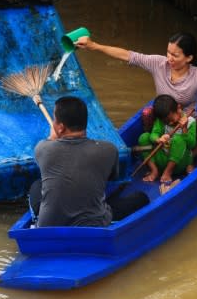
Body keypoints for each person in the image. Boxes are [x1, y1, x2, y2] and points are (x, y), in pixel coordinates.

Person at [76, 31, 197, 158]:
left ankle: (191, 156)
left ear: (189, 58)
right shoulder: (159, 64)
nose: (169, 58)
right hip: (162, 122)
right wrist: (94, 46)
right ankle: (156, 147)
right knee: (147, 113)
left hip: (187, 125)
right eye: (168, 53)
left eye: (175, 55)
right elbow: (129, 56)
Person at [27, 96, 149, 227]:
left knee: (36, 185)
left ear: (61, 128)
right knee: (141, 197)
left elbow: (55, 151)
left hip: (49, 225)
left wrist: (52, 137)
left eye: (55, 120)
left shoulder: (42, 148)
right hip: (95, 223)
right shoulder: (109, 149)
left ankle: (36, 222)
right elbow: (113, 178)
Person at [137, 94, 197, 191]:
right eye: (166, 121)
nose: (170, 123)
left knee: (178, 139)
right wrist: (158, 139)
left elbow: (192, 144)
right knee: (144, 137)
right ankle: (154, 170)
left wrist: (185, 129)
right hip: (162, 159)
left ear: (178, 108)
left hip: (179, 163)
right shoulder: (161, 120)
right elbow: (153, 135)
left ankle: (168, 172)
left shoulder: (191, 122)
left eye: (171, 119)